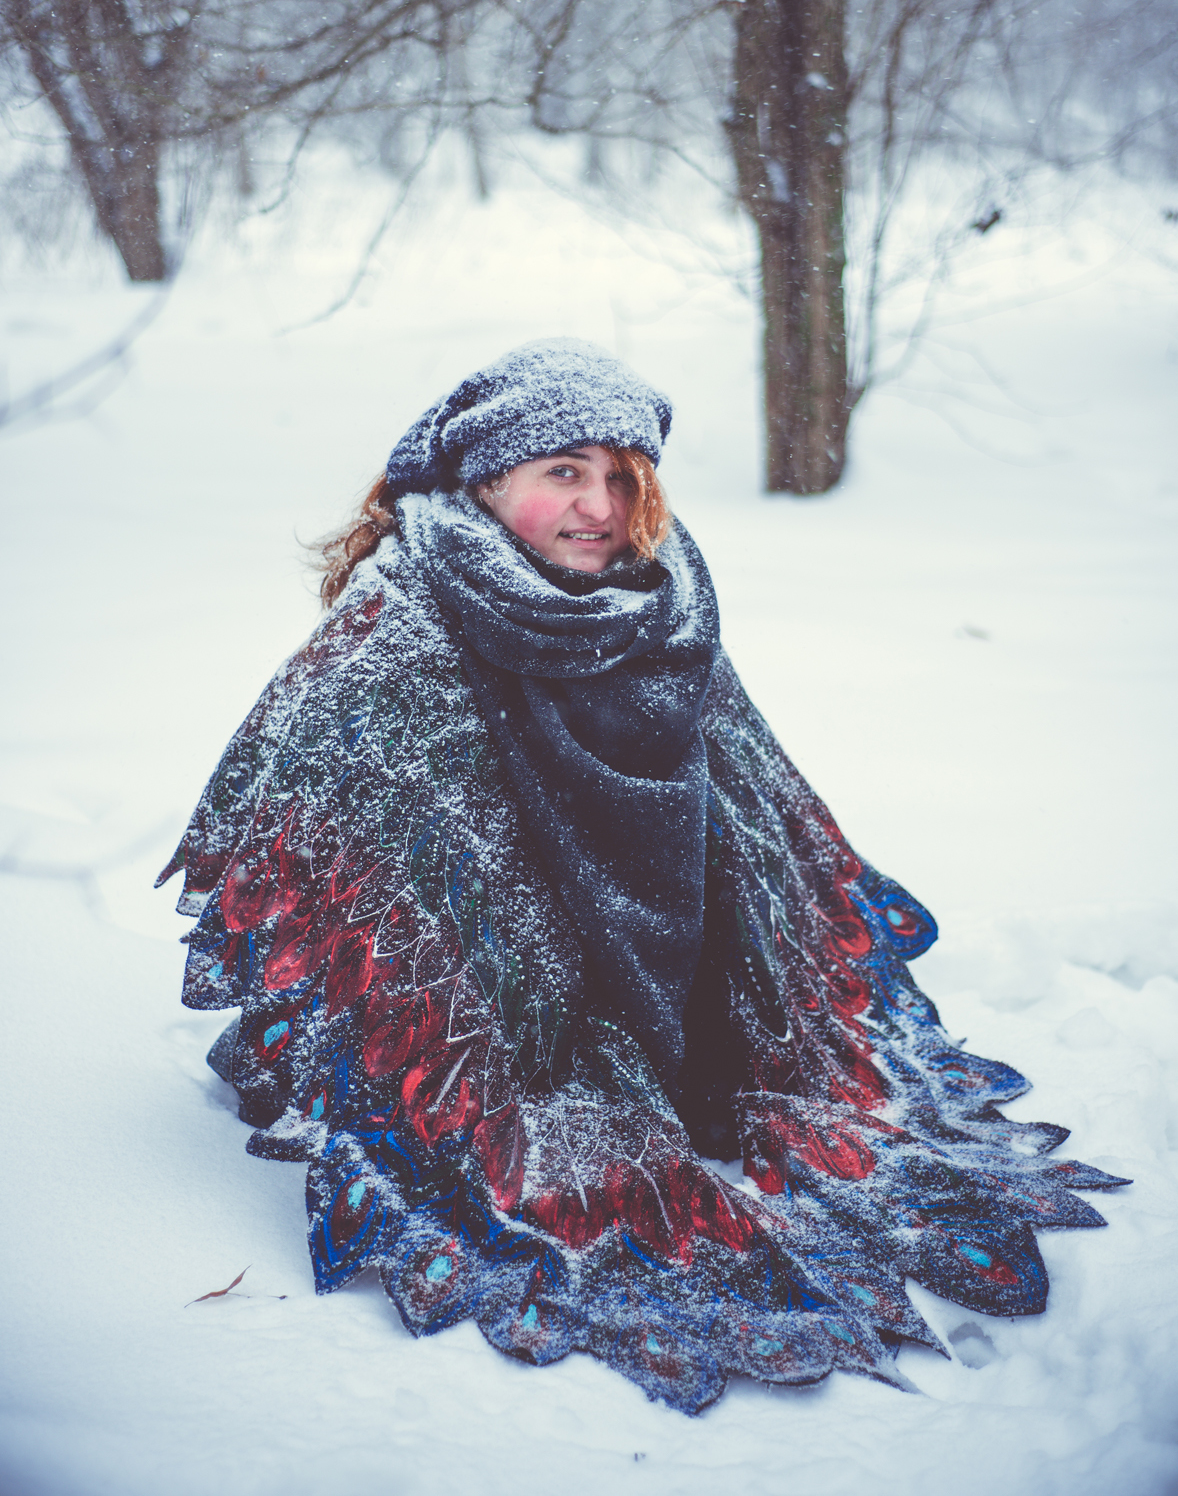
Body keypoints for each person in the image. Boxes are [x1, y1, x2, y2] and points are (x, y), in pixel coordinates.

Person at [160, 339, 1122, 1414]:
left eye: (620, 477)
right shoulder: (398, 628)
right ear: (486, 483)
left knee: (822, 1098)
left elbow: (743, 807)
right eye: (561, 473)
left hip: (670, 954)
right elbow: (341, 836)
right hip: (514, 985)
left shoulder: (662, 605)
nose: (598, 506)